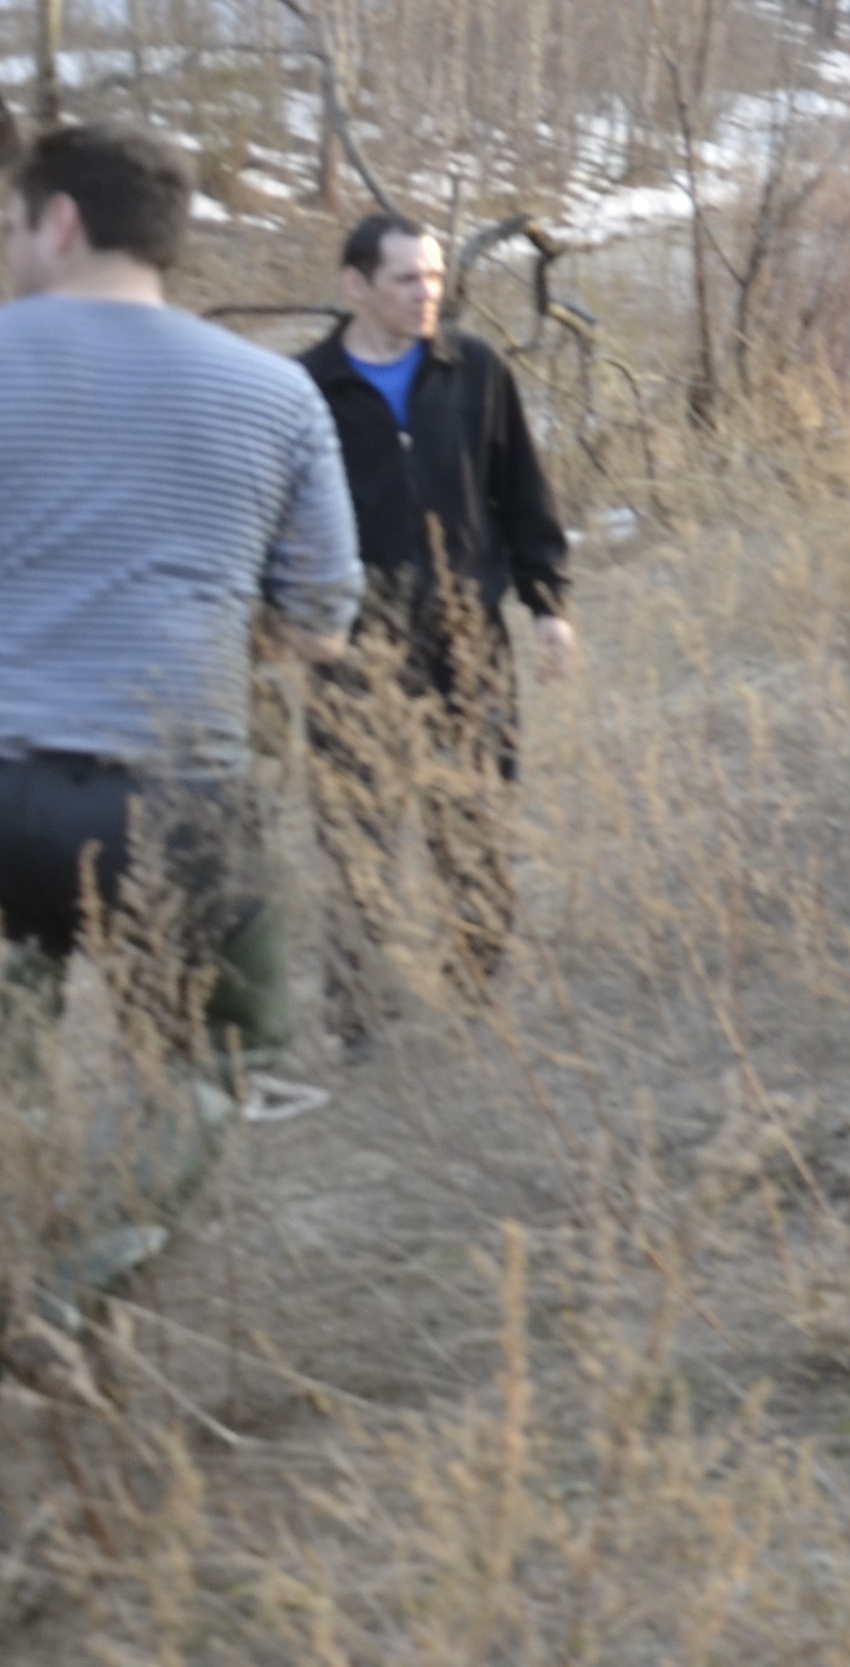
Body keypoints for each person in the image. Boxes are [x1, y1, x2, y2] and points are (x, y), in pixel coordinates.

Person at [0, 123, 366, 1314]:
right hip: (177, 794)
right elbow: (322, 618)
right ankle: (74, 1290)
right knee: (219, 1048)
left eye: (14, 224)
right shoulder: (276, 393)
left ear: (60, 221)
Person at [291, 215, 575, 1004]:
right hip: (354, 646)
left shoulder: (474, 368)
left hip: (468, 635)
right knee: (356, 827)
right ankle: (360, 1012)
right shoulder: (305, 388)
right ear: (355, 285)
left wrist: (548, 603)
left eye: (436, 277)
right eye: (408, 279)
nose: (428, 294)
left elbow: (523, 492)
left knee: (475, 811)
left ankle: (476, 991)